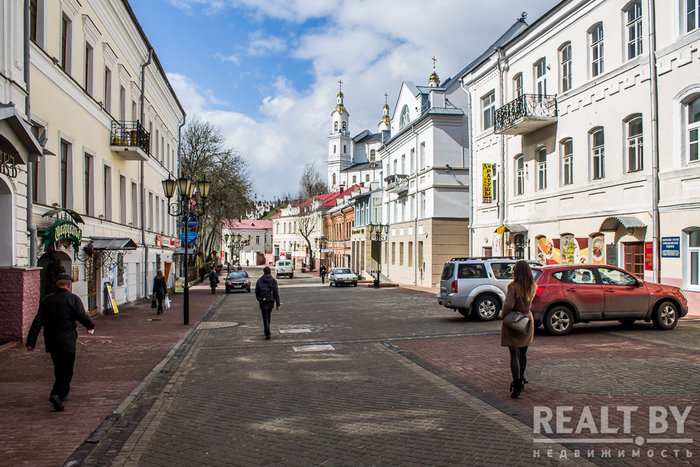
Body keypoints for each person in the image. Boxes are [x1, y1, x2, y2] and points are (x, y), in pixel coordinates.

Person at [26, 273, 95, 412]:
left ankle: (60, 393)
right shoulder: (72, 299)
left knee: (58, 367)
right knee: (67, 368)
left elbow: (38, 321)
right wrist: (90, 326)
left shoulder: (47, 300)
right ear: (69, 285)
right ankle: (57, 394)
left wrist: (31, 341)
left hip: (52, 340)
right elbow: (81, 316)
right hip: (68, 340)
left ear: (57, 285)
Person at [500, 260, 537, 399]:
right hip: (527, 321)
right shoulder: (533, 286)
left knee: (513, 354)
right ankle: (521, 379)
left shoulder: (513, 287)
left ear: (516, 271)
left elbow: (509, 305)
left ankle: (516, 385)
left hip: (514, 321)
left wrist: (503, 315)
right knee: (523, 353)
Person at [255, 266, 280, 340]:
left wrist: (259, 299)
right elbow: (276, 293)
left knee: (265, 317)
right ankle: (267, 331)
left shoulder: (259, 281)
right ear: (270, 272)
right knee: (268, 316)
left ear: (264, 272)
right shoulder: (273, 281)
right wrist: (278, 304)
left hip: (263, 302)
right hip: (270, 301)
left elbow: (257, 292)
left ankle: (267, 331)